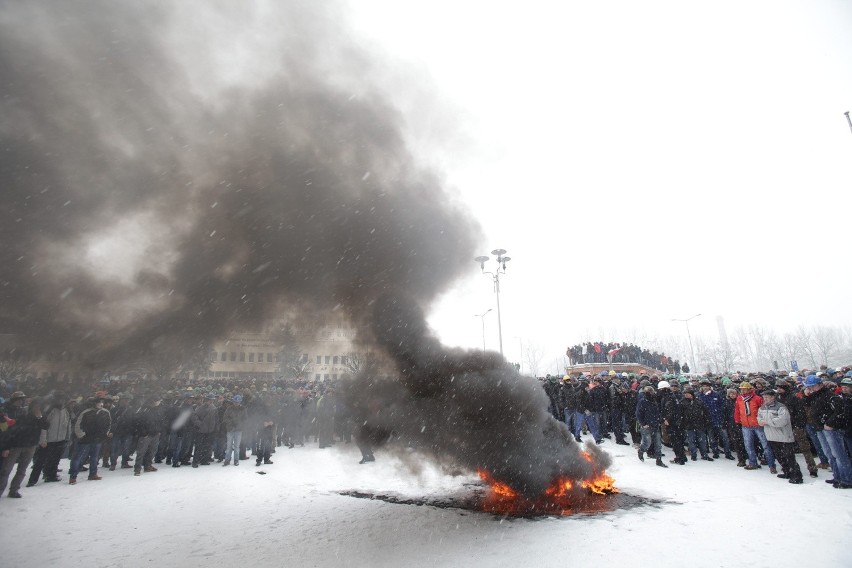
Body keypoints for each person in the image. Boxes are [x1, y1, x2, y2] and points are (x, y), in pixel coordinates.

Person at [805, 375, 852, 489]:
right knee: (829, 454)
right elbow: (806, 404)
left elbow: (840, 410)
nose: (811, 388)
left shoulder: (830, 395)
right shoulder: (815, 395)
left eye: (813, 386)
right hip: (820, 428)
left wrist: (830, 423)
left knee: (839, 454)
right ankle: (837, 476)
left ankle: (847, 479)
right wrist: (807, 395)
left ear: (820, 384)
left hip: (831, 429)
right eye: (809, 387)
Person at [0, 393, 49, 498]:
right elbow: (13, 430)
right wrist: (7, 446)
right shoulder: (23, 413)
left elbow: (46, 426)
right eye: (36, 405)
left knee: (22, 470)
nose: (38, 408)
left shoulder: (41, 415)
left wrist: (39, 416)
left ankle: (14, 490)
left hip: (31, 445)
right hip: (17, 444)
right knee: (6, 469)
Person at [756, 389, 803, 484]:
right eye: (764, 397)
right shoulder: (762, 408)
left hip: (783, 436)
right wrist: (761, 421)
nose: (765, 399)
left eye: (767, 397)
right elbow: (759, 417)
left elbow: (783, 420)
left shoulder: (781, 407)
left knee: (789, 456)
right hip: (771, 436)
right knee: (779, 456)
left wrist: (768, 421)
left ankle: (796, 475)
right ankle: (786, 471)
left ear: (773, 397)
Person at [68, 392, 112, 485]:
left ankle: (93, 474)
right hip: (85, 439)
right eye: (99, 402)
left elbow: (108, 424)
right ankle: (73, 476)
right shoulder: (86, 412)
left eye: (101, 402)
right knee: (78, 458)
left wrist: (105, 434)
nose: (101, 404)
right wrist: (82, 435)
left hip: (97, 439)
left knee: (94, 458)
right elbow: (77, 425)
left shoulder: (105, 412)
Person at [734, 382, 777, 473]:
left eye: (744, 389)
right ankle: (752, 462)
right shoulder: (739, 399)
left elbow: (763, 410)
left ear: (750, 389)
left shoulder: (757, 398)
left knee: (765, 445)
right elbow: (737, 410)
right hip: (745, 425)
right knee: (748, 445)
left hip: (758, 425)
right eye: (741, 389)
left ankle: (771, 465)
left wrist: (761, 420)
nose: (742, 391)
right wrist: (737, 421)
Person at [636, 386, 667, 468]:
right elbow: (639, 414)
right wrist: (643, 424)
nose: (652, 393)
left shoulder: (655, 401)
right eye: (649, 392)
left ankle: (659, 460)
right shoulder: (642, 402)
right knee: (647, 443)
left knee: (658, 444)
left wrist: (661, 420)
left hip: (655, 425)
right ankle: (641, 451)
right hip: (646, 426)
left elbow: (658, 412)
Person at [681, 387, 713, 461]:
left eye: (687, 394)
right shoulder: (682, 402)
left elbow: (705, 412)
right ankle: (693, 455)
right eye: (685, 394)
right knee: (691, 441)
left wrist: (706, 421)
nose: (686, 395)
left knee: (702, 440)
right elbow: (680, 413)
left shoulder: (699, 401)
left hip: (699, 424)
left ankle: (704, 454)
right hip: (689, 425)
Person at [222, 394, 247, 466]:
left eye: (238, 402)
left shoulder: (243, 409)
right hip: (230, 429)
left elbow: (245, 419)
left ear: (240, 402)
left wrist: (239, 424)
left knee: (236, 446)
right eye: (235, 402)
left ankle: (236, 460)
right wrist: (232, 423)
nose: (236, 403)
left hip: (239, 430)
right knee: (229, 446)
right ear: (233, 402)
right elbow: (225, 418)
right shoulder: (229, 409)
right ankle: (227, 460)